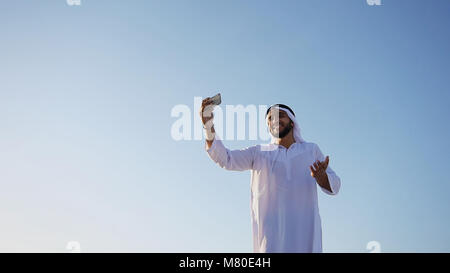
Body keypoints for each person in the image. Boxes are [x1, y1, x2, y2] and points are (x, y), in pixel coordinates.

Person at [199, 97, 341, 253]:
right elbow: (226, 158)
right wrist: (208, 125)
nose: (275, 120)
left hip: (305, 236)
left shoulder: (310, 150)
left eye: (280, 115)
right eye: (270, 118)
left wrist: (322, 179)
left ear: (292, 122)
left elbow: (335, 184)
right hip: (271, 240)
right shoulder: (259, 152)